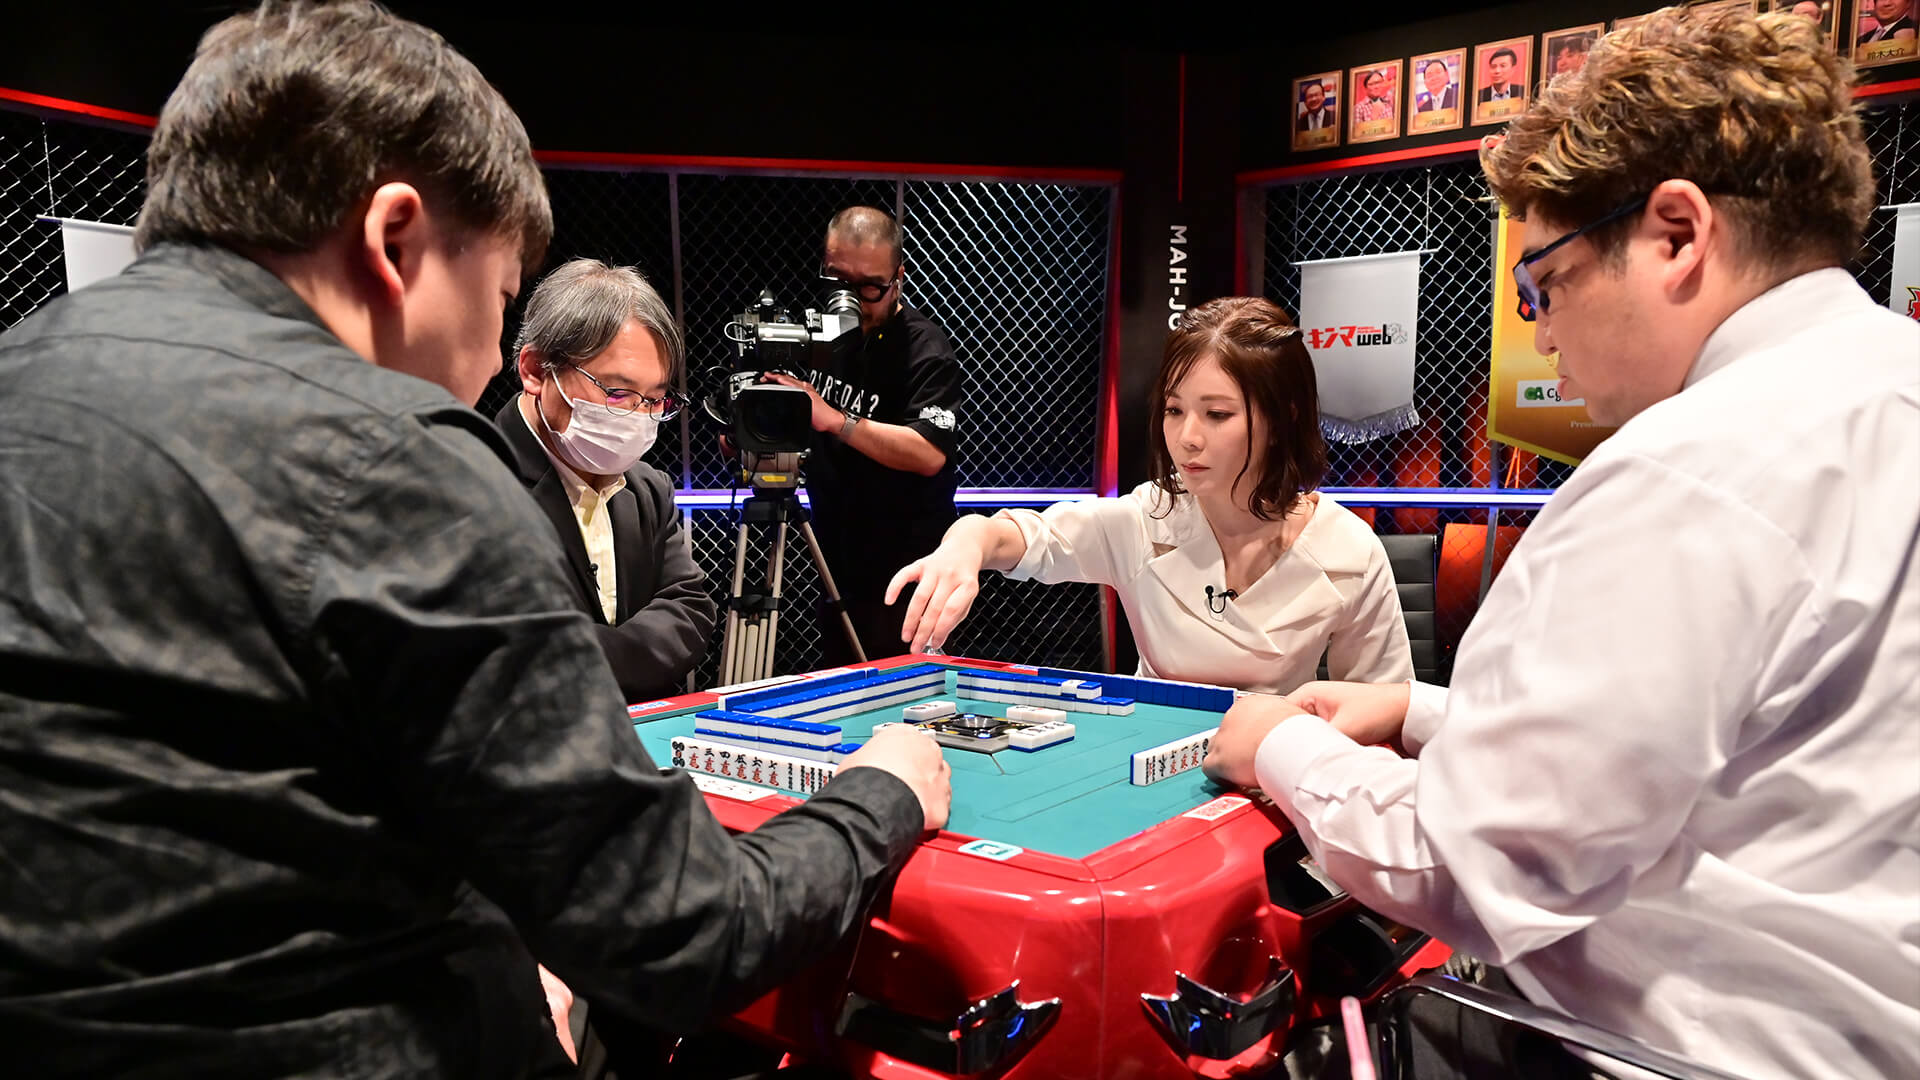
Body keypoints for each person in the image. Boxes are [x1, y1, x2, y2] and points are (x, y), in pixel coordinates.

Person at [0, 4, 951, 1078]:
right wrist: (882, 792)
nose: (495, 356)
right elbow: (681, 930)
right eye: (498, 300)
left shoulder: (22, 368)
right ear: (394, 239)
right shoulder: (394, 453)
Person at [1204, 8, 1918, 1079]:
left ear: (1675, 234)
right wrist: (1419, 712)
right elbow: (1749, 756)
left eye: (1545, 280)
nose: (1538, 329)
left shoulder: (1686, 469)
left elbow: (1465, 866)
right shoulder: (1888, 384)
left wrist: (1280, 748)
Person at [890, 297, 1413, 696]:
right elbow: (1025, 537)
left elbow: (1383, 709)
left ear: (1282, 419)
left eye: (1217, 414)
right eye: (1173, 410)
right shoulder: (1147, 517)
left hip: (1274, 773)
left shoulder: (1348, 549)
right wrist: (965, 544)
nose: (1187, 437)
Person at [495, 258, 715, 704]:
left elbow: (691, 607)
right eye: (616, 392)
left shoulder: (649, 488)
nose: (637, 416)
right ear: (536, 370)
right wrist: (636, 657)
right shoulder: (478, 485)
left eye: (655, 399)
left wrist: (577, 656)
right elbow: (507, 648)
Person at [759, 206, 964, 668]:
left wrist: (834, 420)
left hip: (907, 567)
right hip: (835, 556)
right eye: (839, 282)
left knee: (902, 690)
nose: (851, 300)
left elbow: (929, 452)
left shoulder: (924, 348)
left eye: (870, 287)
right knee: (842, 682)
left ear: (898, 278)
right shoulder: (814, 334)